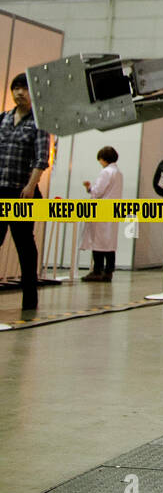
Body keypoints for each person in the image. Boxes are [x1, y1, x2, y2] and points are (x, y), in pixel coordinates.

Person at [0, 72, 52, 313]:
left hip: (22, 193)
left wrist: (31, 186)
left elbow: (42, 158)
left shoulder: (39, 122)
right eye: (16, 88)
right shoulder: (2, 119)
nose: (20, 92)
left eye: (25, 88)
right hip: (0, 190)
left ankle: (29, 299)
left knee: (24, 245)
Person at [80, 146, 123, 281]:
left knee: (98, 241)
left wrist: (89, 188)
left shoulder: (106, 172)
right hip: (113, 209)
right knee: (110, 243)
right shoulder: (118, 173)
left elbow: (98, 191)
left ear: (104, 159)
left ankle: (97, 270)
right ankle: (109, 271)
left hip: (101, 209)